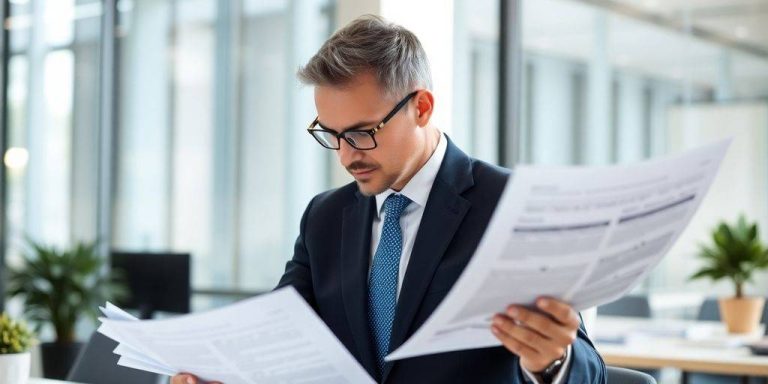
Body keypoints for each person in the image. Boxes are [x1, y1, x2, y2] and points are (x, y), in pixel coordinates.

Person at [173, 15, 606, 384]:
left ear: (421, 108)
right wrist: (224, 369)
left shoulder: (511, 205)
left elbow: (590, 370)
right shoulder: (325, 217)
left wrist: (551, 361)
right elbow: (281, 330)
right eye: (332, 135)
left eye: (363, 132)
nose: (346, 155)